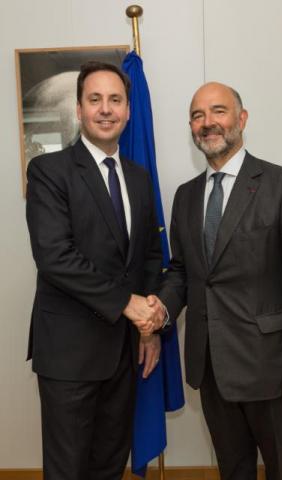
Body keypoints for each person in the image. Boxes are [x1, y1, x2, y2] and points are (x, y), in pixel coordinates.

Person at [153, 82, 282, 479]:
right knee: (233, 471)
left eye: (218, 111)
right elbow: (183, 272)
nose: (207, 123)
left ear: (241, 119)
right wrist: (160, 309)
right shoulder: (185, 196)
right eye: (197, 115)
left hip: (272, 370)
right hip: (211, 368)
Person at [26, 61, 165, 480]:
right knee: (69, 470)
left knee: (108, 465)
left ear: (127, 110)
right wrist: (129, 305)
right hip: (68, 356)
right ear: (80, 108)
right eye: (95, 99)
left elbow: (149, 258)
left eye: (116, 100)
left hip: (123, 353)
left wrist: (149, 328)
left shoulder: (139, 179)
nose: (106, 109)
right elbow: (55, 257)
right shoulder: (49, 171)